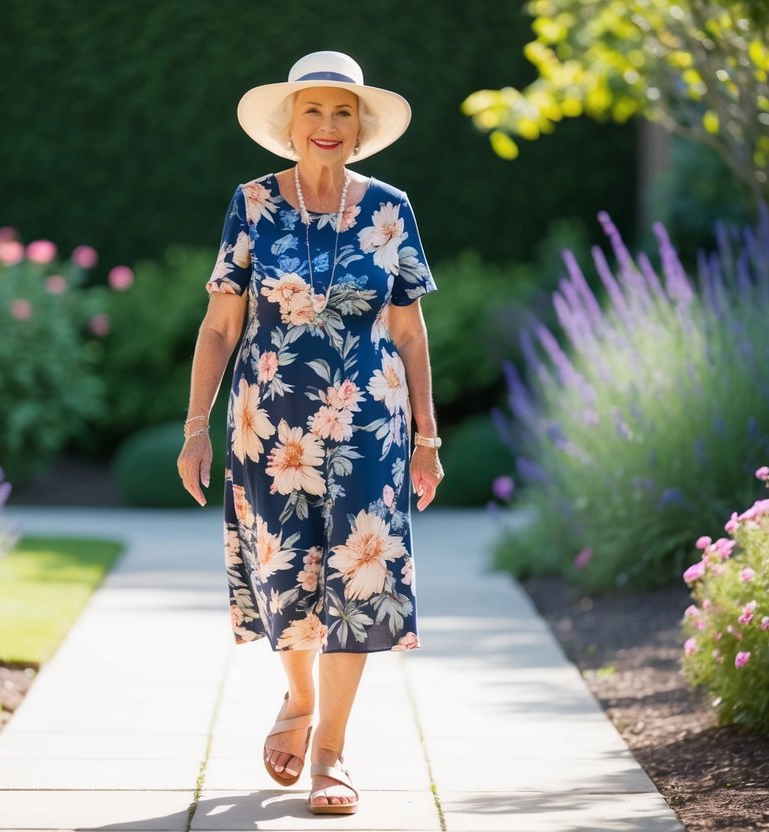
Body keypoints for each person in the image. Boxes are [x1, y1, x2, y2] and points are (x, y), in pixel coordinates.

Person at [177, 50, 443, 816]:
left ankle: (330, 750)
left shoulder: (389, 208)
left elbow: (411, 331)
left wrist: (427, 438)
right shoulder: (252, 204)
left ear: (359, 128)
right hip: (271, 427)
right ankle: (297, 702)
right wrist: (196, 428)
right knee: (285, 571)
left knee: (357, 580)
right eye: (313, 111)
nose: (327, 126)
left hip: (369, 424)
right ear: (289, 124)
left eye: (342, 113)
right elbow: (220, 325)